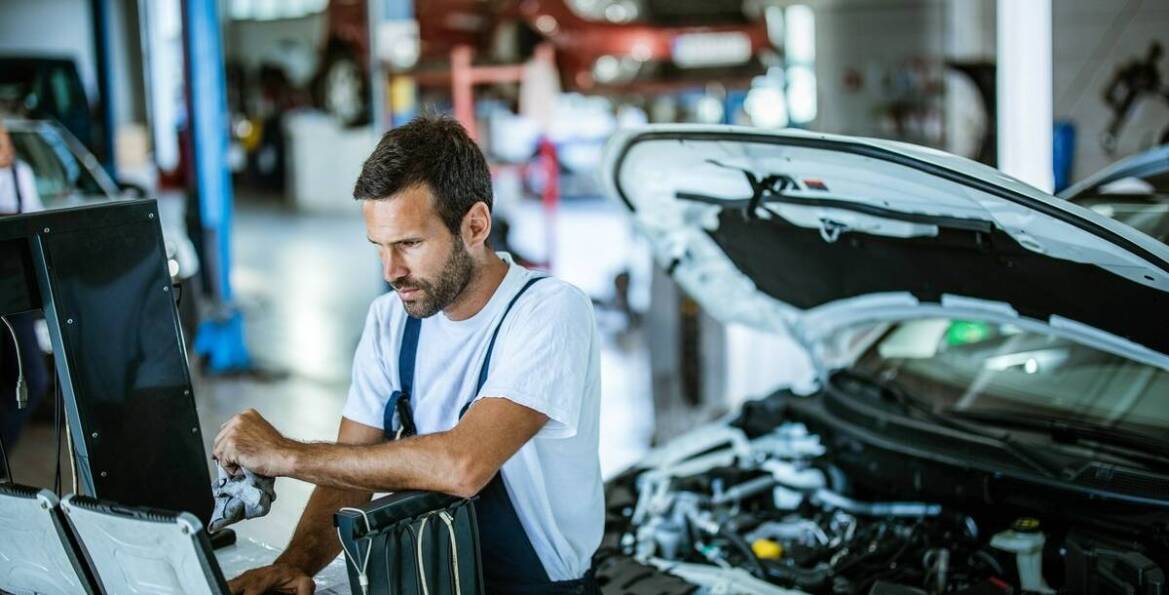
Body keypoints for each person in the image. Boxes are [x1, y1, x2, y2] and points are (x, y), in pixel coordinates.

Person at [216, 114, 603, 594]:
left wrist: (286, 455)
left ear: (475, 225)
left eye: (410, 244)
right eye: (379, 247)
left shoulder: (549, 312)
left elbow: (463, 465)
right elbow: (350, 472)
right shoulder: (390, 321)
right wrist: (296, 565)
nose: (391, 271)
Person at [0, 121, 49, 449]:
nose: (6, 147)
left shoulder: (21, 175)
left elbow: (37, 225)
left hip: (15, 299)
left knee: (34, 378)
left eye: (6, 139)